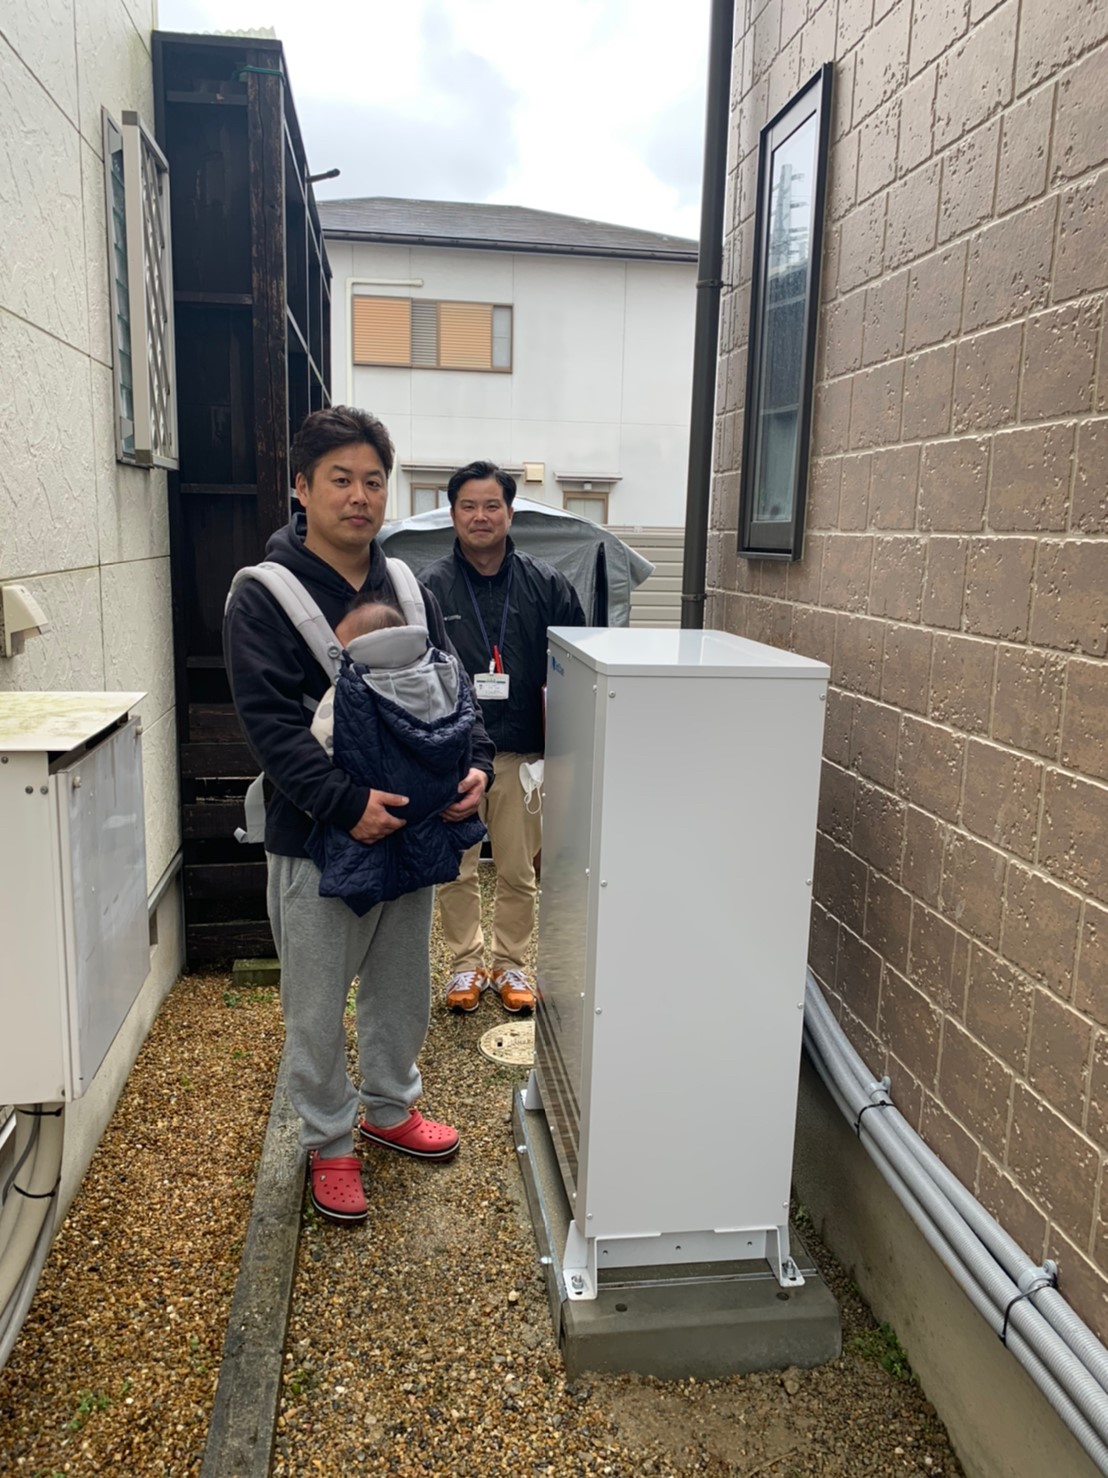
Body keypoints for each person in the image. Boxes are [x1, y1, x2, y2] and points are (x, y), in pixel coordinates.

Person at [223, 408, 493, 1225]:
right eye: (340, 479)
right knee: (314, 1002)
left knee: (400, 984)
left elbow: (452, 684)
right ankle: (328, 1139)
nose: (359, 496)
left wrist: (476, 763)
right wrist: (347, 805)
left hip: (411, 829)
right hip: (316, 835)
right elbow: (271, 728)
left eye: (373, 481)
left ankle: (389, 1107)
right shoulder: (263, 595)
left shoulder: (408, 587)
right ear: (302, 488)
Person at [420, 460, 586, 1015]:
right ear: (453, 514)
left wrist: (567, 752)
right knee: (456, 868)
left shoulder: (546, 585)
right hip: (453, 756)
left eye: (492, 505)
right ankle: (465, 964)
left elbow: (580, 663)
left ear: (510, 513)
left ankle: (511, 963)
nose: (480, 516)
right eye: (468, 506)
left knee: (518, 870)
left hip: (521, 753)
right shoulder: (429, 589)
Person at [305, 593, 487, 916]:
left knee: (360, 883)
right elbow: (467, 721)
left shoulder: (349, 690)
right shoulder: (443, 677)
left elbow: (322, 739)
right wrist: (479, 766)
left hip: (371, 818)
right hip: (435, 813)